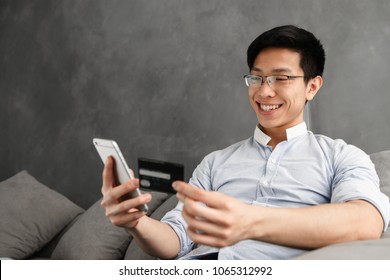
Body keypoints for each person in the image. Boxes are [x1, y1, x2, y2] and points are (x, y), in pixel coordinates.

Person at [101, 25, 390, 260]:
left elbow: (364, 224)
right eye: (257, 78)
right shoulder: (216, 163)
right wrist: (136, 223)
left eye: (281, 78)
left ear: (311, 86)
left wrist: (250, 221)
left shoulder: (342, 156)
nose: (264, 92)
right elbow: (175, 240)